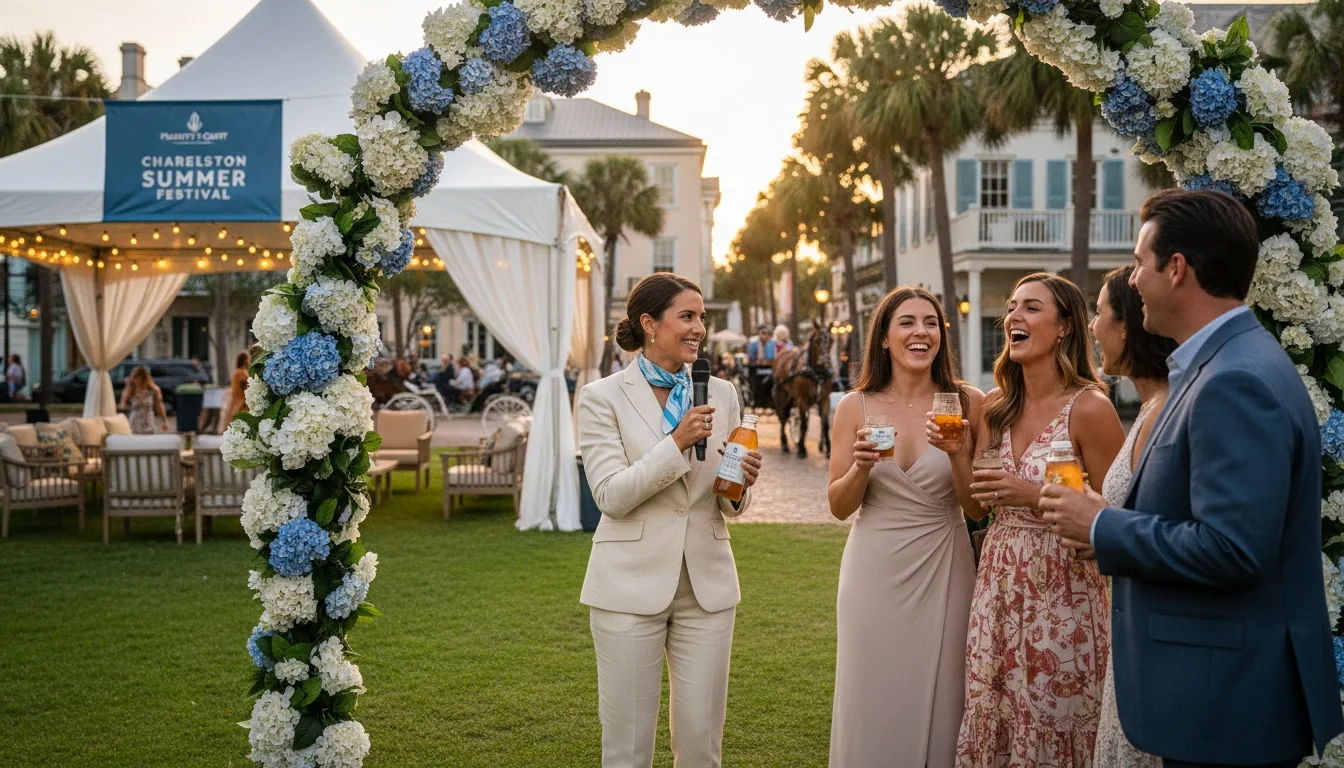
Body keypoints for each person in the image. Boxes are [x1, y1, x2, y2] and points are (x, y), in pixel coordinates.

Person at [1042, 190, 1344, 766]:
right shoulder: (1220, 364)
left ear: (1175, 269)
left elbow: (1233, 548)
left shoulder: (1235, 381)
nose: (1131, 281)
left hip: (1223, 700)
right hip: (1214, 693)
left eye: (1138, 263)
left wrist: (1104, 525)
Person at [577, 272, 762, 768]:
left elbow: (726, 500)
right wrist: (676, 442)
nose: (699, 327)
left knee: (702, 746)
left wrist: (739, 481)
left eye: (702, 317)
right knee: (628, 748)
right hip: (628, 589)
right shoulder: (602, 397)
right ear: (649, 324)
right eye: (687, 316)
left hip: (707, 589)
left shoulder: (721, 393)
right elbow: (611, 497)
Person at [955, 272, 1126, 765]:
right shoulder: (995, 407)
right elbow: (975, 507)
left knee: (1057, 715)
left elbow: (1118, 511)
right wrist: (953, 454)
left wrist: (1031, 494)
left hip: (1064, 588)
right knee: (997, 710)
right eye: (1011, 307)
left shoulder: (1090, 409)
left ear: (1066, 327)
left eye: (1031, 308)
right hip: (998, 584)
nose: (1014, 316)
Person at [827, 286, 982, 767]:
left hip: (946, 559)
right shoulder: (856, 407)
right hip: (874, 566)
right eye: (908, 323)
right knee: (872, 688)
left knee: (945, 693)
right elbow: (838, 505)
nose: (922, 332)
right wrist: (862, 467)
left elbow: (976, 509)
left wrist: (958, 456)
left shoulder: (969, 402)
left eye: (931, 323)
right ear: (886, 338)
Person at [1087, 266, 1175, 768]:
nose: (1094, 327)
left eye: (1100, 313)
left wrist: (1099, 528)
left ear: (1126, 326)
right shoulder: (1146, 409)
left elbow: (1163, 533)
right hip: (1131, 633)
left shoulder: (1161, 413)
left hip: (1149, 638)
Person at [120, 365, 170, 434]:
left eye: (141, 378)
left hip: (148, 421)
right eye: (136, 378)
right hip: (135, 421)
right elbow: (123, 402)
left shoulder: (153, 389)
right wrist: (123, 406)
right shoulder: (131, 389)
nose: (139, 381)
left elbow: (160, 405)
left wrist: (165, 420)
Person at [223, 351, 251, 430]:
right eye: (248, 358)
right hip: (241, 403)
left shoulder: (240, 372)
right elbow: (243, 387)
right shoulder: (240, 373)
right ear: (245, 360)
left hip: (241, 402)